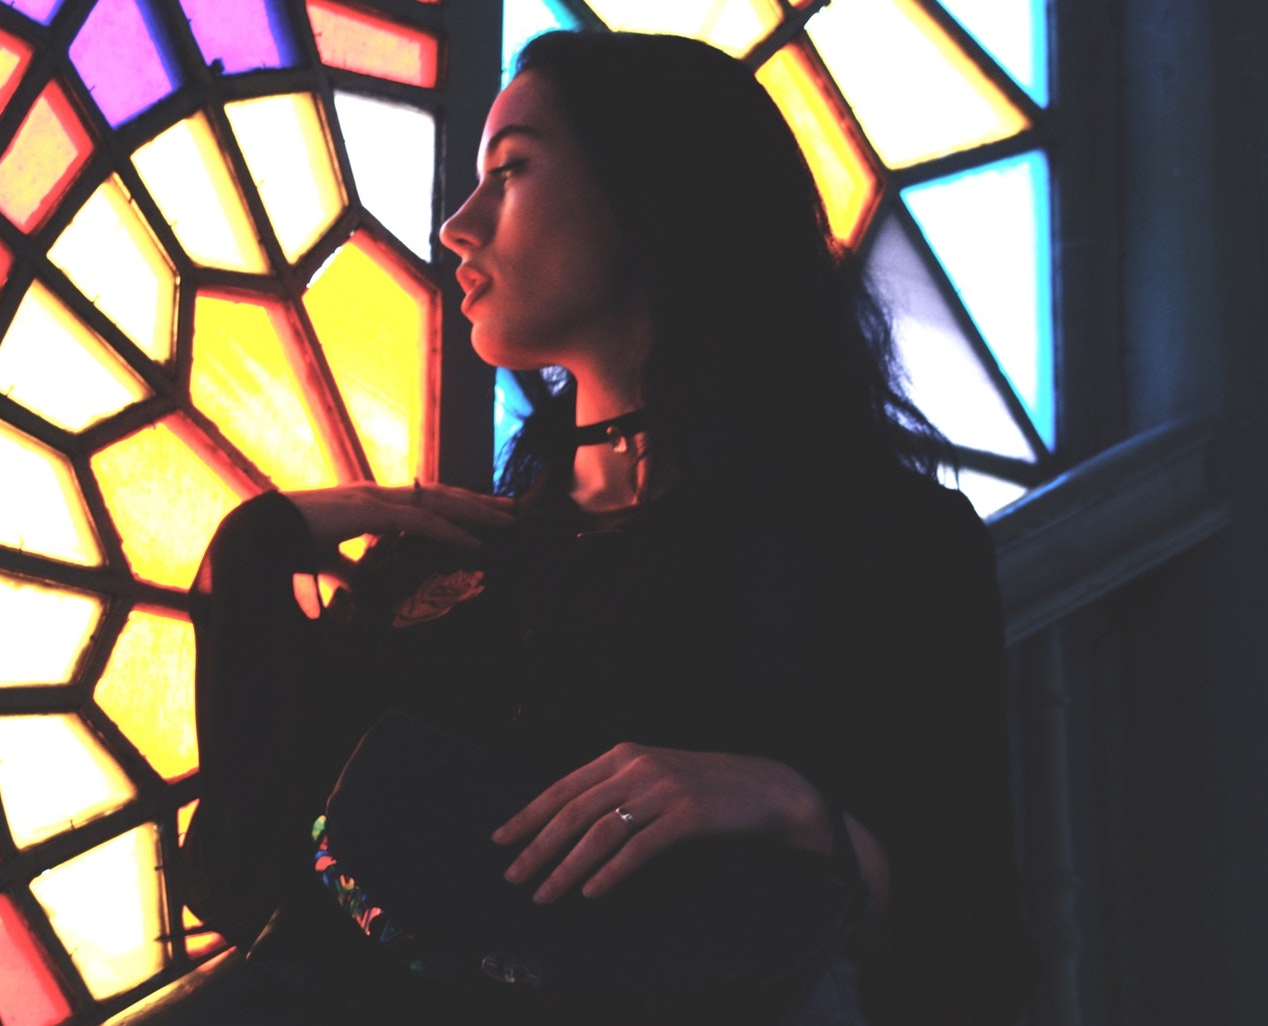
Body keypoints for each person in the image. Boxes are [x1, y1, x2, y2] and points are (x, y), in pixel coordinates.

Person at [181, 29, 1034, 1026]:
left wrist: (794, 807)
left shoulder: (881, 545)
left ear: (656, 195)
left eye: (511, 170)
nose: (459, 226)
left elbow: (972, 940)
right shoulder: (451, 569)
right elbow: (246, 877)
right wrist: (255, 552)